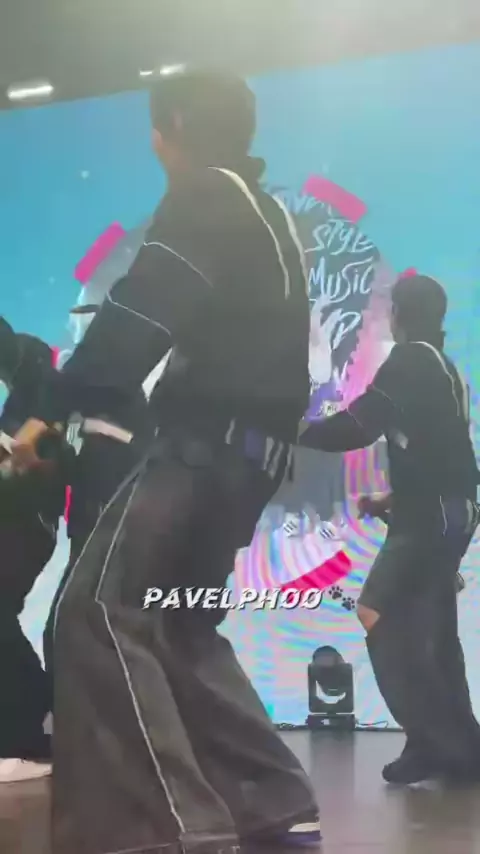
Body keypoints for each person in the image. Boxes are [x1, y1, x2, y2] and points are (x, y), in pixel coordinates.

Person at [11, 68, 320, 853]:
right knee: (181, 624)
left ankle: (168, 822)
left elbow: (138, 312)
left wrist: (51, 408)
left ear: (173, 128)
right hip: (246, 459)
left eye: (155, 127)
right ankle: (272, 800)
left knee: (99, 611)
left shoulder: (207, 194)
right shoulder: (265, 210)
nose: (153, 143)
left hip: (199, 452)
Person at [299, 274, 480, 784]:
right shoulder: (442, 366)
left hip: (431, 516)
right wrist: (393, 498)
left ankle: (434, 743)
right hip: (446, 509)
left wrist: (294, 427)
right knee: (435, 632)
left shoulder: (410, 360)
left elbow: (358, 426)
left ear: (398, 314)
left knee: (376, 612)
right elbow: (442, 449)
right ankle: (461, 747)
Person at [0, 321, 71, 782]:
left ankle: (24, 731)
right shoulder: (27, 385)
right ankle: (26, 723)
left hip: (25, 520)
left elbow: (29, 460)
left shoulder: (38, 385)